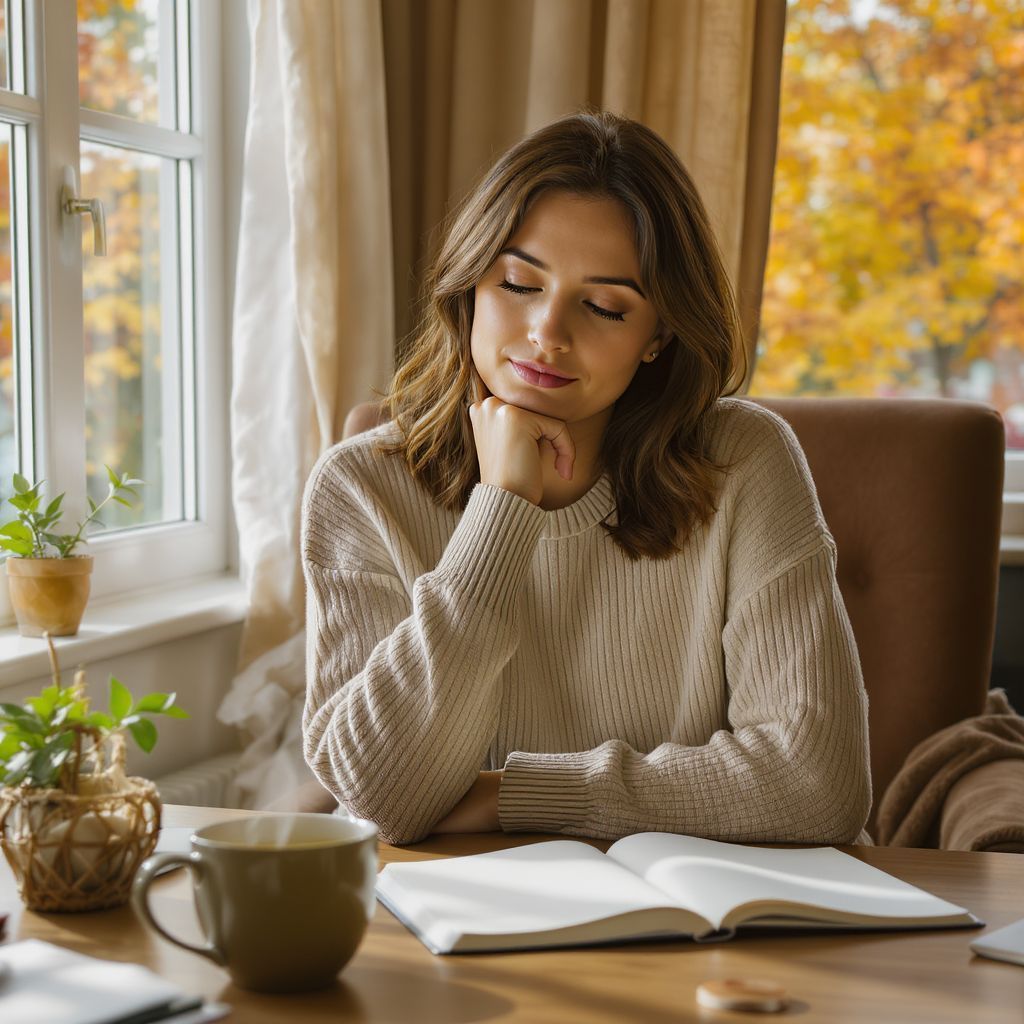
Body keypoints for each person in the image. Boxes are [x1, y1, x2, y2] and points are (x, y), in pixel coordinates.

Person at [301, 110, 871, 847]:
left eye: (603, 305)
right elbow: (383, 797)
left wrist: (518, 794)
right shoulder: (360, 487)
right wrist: (501, 511)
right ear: (471, 282)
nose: (548, 332)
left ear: (658, 335)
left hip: (717, 928)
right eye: (517, 283)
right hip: (468, 925)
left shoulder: (746, 460)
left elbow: (818, 788)